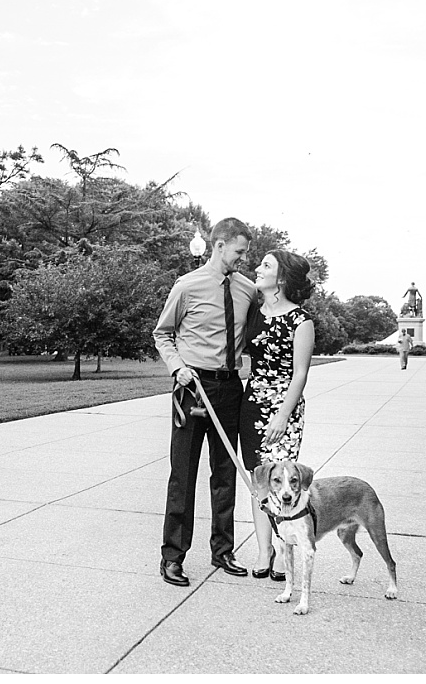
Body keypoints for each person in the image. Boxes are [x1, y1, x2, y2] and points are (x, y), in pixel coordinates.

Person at [152, 217, 256, 586]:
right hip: (191, 387)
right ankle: (172, 557)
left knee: (225, 475)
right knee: (183, 474)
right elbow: (162, 333)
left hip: (229, 390)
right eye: (240, 251)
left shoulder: (247, 290)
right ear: (219, 245)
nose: (243, 258)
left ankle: (223, 551)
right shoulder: (187, 285)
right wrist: (177, 368)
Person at [238, 250, 316, 581]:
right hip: (252, 403)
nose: (258, 268)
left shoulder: (302, 320)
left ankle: (285, 553)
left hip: (285, 408)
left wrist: (283, 415)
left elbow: (300, 373)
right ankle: (263, 550)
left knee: (284, 483)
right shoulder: (254, 313)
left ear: (281, 279)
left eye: (266, 266)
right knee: (260, 483)